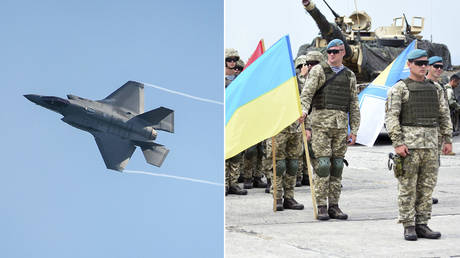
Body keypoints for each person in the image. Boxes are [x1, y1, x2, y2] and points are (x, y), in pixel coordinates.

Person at [385, 49, 452, 241]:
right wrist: (398, 143)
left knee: (426, 188)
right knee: (407, 187)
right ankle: (408, 225)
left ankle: (422, 224)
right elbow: (391, 118)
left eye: (426, 64)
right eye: (419, 63)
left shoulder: (436, 88)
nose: (423, 67)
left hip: (431, 145)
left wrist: (447, 139)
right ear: (409, 65)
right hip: (409, 147)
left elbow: (444, 114)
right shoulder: (399, 89)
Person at [299, 39, 360, 220]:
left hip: (340, 127)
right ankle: (321, 205)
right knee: (323, 165)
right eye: (329, 51)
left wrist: (354, 129)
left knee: (337, 166)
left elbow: (354, 104)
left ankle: (334, 205)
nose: (331, 54)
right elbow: (307, 94)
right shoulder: (318, 71)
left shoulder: (349, 75)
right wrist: (303, 113)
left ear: (343, 53)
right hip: (320, 126)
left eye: (335, 51)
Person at [426, 56, 449, 204]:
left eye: (441, 66)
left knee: (434, 165)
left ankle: (427, 192)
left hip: (436, 133)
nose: (439, 69)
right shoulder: (422, 85)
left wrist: (447, 138)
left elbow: (444, 113)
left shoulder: (439, 87)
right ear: (428, 67)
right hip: (420, 132)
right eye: (435, 66)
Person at [225, 48, 246, 195]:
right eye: (229, 60)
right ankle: (224, 183)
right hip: (225, 119)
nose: (232, 63)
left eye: (234, 60)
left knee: (236, 153)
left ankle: (233, 182)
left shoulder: (241, 80)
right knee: (225, 152)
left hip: (238, 119)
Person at [444, 73, 460, 138]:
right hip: (447, 110)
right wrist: (458, 107)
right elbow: (451, 102)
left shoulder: (446, 88)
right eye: (457, 83)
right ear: (453, 81)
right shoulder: (449, 90)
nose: (457, 85)